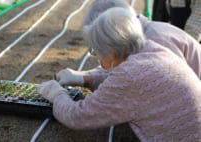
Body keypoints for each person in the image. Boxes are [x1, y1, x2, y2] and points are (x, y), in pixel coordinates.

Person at [38, 8, 201, 141]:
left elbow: (78, 116)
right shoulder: (153, 49)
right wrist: (84, 79)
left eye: (96, 52)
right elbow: (126, 85)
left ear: (109, 50)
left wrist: (57, 94)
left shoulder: (129, 75)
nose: (98, 58)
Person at [57, 0, 201, 84]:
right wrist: (84, 77)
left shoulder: (156, 43)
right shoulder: (142, 36)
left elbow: (133, 82)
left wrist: (81, 81)